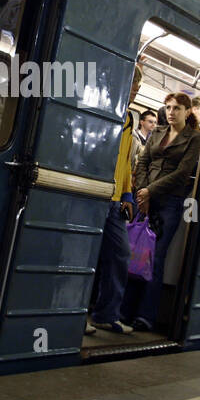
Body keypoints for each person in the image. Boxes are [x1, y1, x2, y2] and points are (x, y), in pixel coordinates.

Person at [121, 92, 200, 333]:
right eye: (168, 107)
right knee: (135, 253)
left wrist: (149, 191)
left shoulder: (194, 138)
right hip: (146, 198)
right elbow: (143, 161)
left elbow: (182, 172)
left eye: (177, 108)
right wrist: (142, 192)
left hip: (169, 201)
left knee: (155, 258)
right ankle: (124, 310)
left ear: (187, 112)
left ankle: (146, 315)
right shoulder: (157, 133)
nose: (171, 112)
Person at [88, 66, 143, 335]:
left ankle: (105, 313)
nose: (136, 89)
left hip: (114, 200)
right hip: (95, 193)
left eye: (139, 86)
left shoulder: (129, 119)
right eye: (134, 83)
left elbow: (125, 164)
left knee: (120, 253)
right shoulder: (105, 109)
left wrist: (127, 194)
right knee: (85, 256)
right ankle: (75, 314)